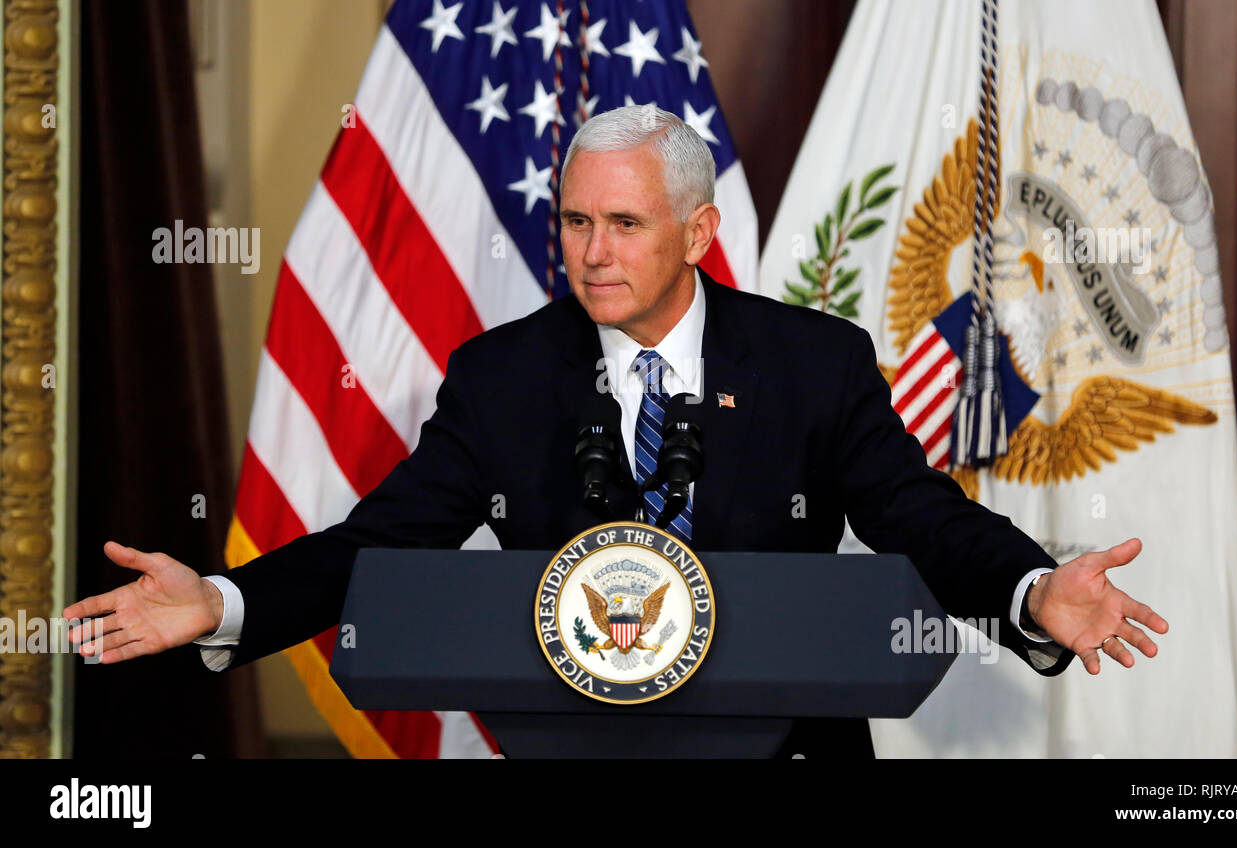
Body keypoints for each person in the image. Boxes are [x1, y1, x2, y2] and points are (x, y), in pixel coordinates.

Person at [63, 105, 1167, 756]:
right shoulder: (501, 377)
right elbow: (383, 541)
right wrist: (226, 599)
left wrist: (1030, 590)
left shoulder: (809, 361)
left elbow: (916, 514)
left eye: (625, 224)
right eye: (577, 221)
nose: (593, 251)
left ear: (696, 230)